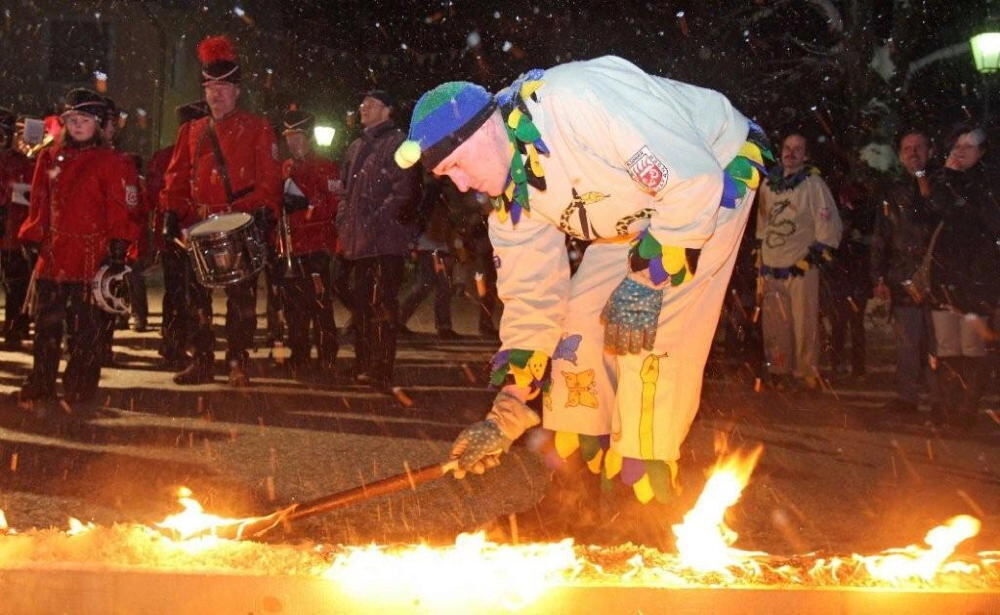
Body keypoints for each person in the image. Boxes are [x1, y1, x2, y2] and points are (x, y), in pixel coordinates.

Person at [395, 56, 772, 509]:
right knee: (577, 328)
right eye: (445, 177)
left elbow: (692, 181)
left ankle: (644, 509)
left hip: (709, 172)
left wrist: (646, 286)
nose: (459, 185)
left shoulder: (576, 101)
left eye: (456, 165)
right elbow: (533, 300)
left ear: (484, 129)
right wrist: (505, 414)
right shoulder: (511, 202)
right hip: (633, 210)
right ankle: (574, 500)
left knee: (648, 335)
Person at [160, 35, 281, 387]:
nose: (216, 94)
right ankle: (201, 360)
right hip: (199, 225)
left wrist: (258, 212)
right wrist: (171, 211)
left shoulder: (257, 128)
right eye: (210, 87)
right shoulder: (192, 130)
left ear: (237, 91)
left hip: (238, 225)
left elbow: (269, 180)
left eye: (224, 87)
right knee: (196, 299)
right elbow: (177, 176)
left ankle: (237, 361)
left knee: (240, 300)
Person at [15, 89, 135, 413]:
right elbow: (39, 202)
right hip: (54, 254)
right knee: (46, 326)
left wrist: (118, 248)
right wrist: (32, 235)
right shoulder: (49, 157)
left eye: (84, 119)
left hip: (90, 256)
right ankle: (42, 380)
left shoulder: (112, 162)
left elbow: (118, 208)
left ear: (97, 123)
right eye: (72, 119)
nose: (78, 125)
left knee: (86, 329)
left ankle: (80, 385)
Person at [337, 90, 420, 391]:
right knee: (361, 303)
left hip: (386, 241)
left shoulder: (399, 144)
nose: (364, 108)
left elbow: (403, 192)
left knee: (382, 304)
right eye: (362, 103)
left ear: (388, 111)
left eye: (372, 104)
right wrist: (345, 220)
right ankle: (363, 363)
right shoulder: (357, 146)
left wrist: (375, 222)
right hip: (359, 241)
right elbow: (345, 190)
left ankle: (381, 369)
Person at [926, 124, 1000, 428]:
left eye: (968, 147)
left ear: (981, 153)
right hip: (945, 275)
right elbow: (927, 213)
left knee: (971, 346)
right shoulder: (943, 180)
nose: (960, 151)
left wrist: (957, 183)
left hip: (977, 278)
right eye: (957, 145)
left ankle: (966, 409)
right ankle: (947, 405)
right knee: (946, 346)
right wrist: (944, 176)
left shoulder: (988, 182)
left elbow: (986, 220)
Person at [756, 133, 842, 392]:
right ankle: (779, 371)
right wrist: (759, 261)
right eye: (787, 148)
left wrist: (813, 258)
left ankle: (806, 375)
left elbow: (828, 226)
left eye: (797, 149)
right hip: (771, 266)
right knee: (774, 324)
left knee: (804, 324)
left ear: (805, 155)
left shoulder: (813, 184)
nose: (790, 153)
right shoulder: (768, 185)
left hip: (800, 266)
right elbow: (762, 227)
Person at [871, 129, 939, 414]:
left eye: (918, 147)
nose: (913, 153)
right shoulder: (891, 190)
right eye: (907, 148)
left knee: (938, 343)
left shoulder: (943, 184)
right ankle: (907, 397)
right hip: (902, 275)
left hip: (938, 276)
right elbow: (881, 236)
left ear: (930, 151)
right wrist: (879, 276)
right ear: (900, 155)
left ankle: (939, 399)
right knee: (907, 342)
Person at [278, 108, 340, 377]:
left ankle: (327, 356)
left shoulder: (326, 166)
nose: (293, 143)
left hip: (316, 245)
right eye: (289, 137)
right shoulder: (285, 168)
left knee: (320, 303)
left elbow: (336, 205)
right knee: (293, 307)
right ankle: (299, 353)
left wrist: (307, 205)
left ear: (308, 138)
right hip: (291, 246)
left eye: (297, 137)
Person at [148, 101, 209, 368]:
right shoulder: (189, 157)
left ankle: (173, 341)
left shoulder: (164, 156)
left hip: (176, 233)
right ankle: (188, 343)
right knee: (193, 291)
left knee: (176, 291)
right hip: (188, 232)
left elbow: (154, 195)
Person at [399, 174, 462, 340]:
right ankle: (442, 326)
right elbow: (429, 220)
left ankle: (399, 320)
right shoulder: (434, 192)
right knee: (436, 286)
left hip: (432, 245)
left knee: (431, 286)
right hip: (431, 245)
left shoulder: (433, 191)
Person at [0, 108, 35, 350]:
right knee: (15, 283)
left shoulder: (20, 162)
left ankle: (15, 326)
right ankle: (14, 326)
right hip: (10, 230)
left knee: (16, 284)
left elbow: (25, 198)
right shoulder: (19, 162)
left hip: (11, 232)